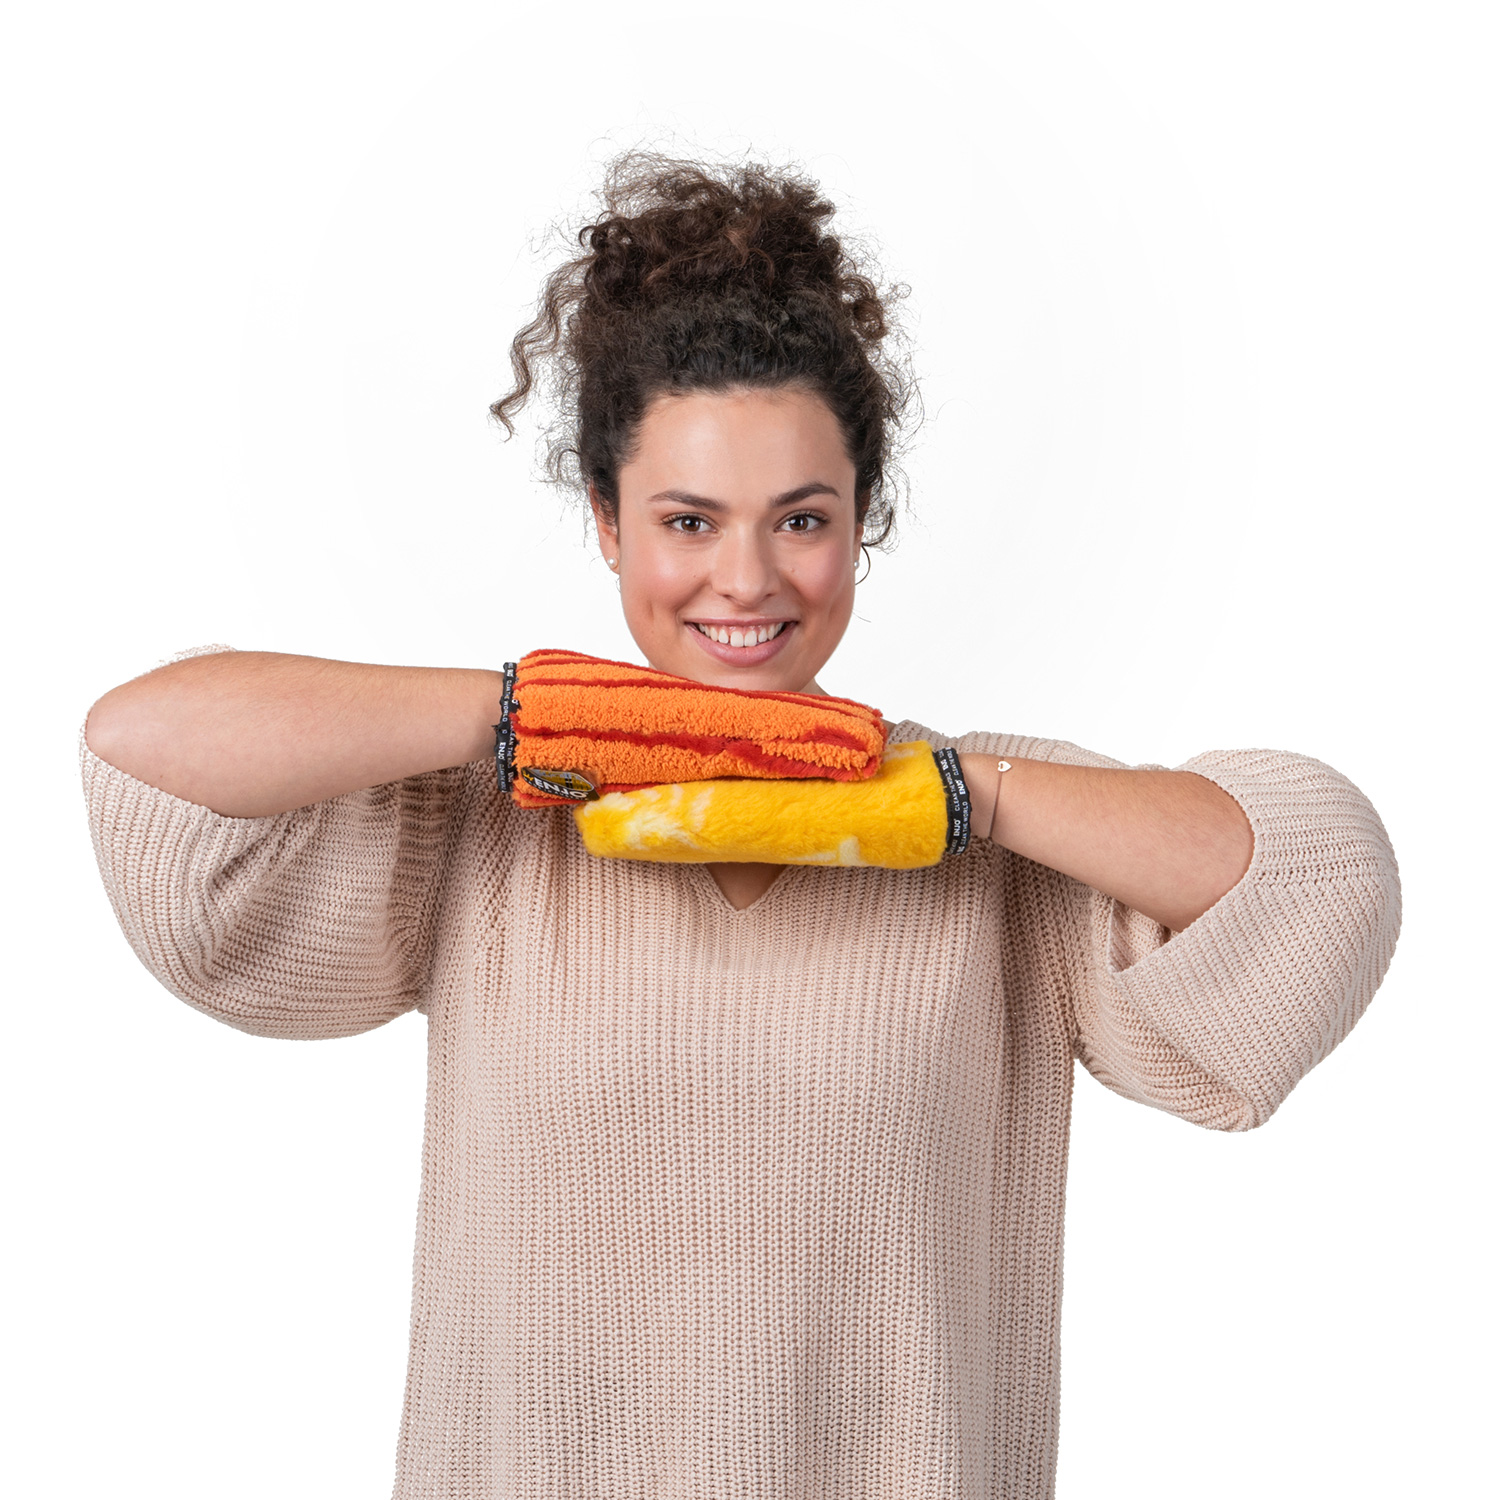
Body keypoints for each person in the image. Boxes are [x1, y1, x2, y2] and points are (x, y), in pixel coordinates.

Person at [79, 153, 1402, 1498]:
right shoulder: (488, 824)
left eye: (802, 521)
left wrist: (952, 794)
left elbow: (1315, 875)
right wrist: (530, 710)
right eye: (688, 520)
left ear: (863, 523)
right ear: (606, 523)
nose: (747, 579)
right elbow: (146, 753)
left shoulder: (991, 842)